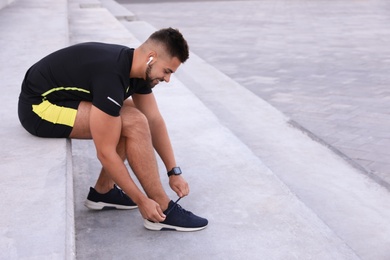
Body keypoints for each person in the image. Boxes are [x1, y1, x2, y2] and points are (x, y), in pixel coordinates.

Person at [18, 27, 208, 232]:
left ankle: (104, 190)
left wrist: (174, 171)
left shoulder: (136, 68)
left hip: (63, 97)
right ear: (151, 58)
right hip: (38, 108)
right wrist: (141, 200)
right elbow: (105, 152)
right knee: (133, 121)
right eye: (167, 71)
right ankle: (162, 209)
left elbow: (154, 120)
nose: (168, 79)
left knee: (136, 116)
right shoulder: (111, 75)